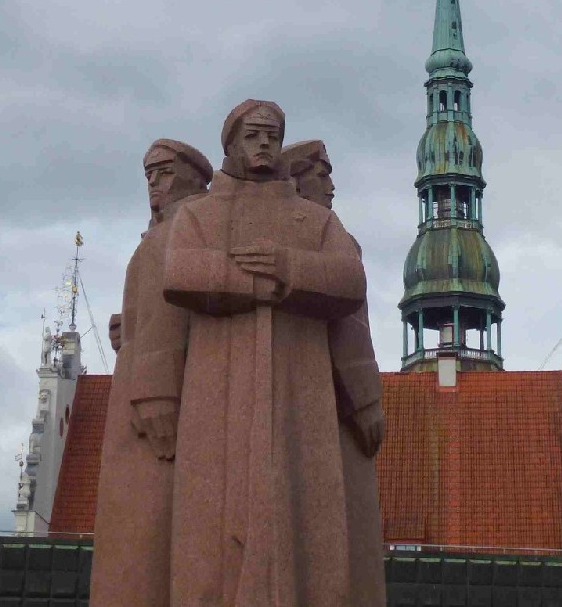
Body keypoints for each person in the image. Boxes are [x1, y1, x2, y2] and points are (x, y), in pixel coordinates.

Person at [161, 100, 371, 606]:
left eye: (272, 137)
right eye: (253, 135)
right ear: (231, 143)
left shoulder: (312, 220)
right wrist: (261, 286)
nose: (263, 145)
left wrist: (287, 268)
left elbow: (350, 280)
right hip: (217, 389)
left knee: (301, 520)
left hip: (302, 393)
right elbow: (178, 274)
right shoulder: (199, 215)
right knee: (212, 532)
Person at [90, 139, 213, 607]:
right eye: (149, 177)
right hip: (138, 393)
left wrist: (157, 389)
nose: (154, 186)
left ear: (195, 178)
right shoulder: (160, 233)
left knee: (148, 526)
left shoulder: (187, 228)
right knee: (133, 524)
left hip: (155, 405)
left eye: (163, 174)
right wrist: (129, 326)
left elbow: (187, 310)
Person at [280, 139, 387, 606]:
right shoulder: (333, 240)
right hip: (332, 410)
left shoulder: (264, 237)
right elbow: (351, 334)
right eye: (322, 174)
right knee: (344, 534)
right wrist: (367, 402)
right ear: (299, 181)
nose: (331, 185)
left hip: (281, 410)